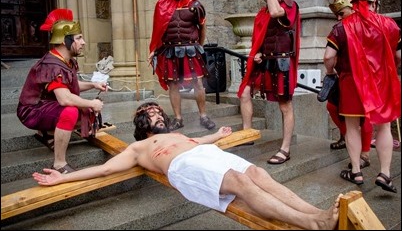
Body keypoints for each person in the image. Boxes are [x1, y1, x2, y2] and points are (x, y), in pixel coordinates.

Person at [33, 101, 341, 230]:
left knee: (258, 173)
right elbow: (103, 170)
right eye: (149, 112)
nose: (155, 112)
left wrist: (216, 136)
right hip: (182, 167)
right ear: (142, 123)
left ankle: (317, 213)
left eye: (157, 109)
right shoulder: (139, 147)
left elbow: (199, 142)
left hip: (204, 155)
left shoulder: (177, 133)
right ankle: (313, 225)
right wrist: (61, 179)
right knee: (241, 183)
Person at [324, 0, 401, 192]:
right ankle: (385, 174)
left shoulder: (341, 27)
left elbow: (329, 57)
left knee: (352, 128)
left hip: (351, 83)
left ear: (356, 3)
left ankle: (356, 172)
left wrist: (331, 73)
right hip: (382, 83)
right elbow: (399, 57)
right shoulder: (391, 26)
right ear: (375, 3)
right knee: (383, 126)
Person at [17, 8, 108, 174]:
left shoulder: (66, 61)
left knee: (86, 112)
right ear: (64, 40)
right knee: (71, 111)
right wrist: (92, 103)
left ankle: (47, 132)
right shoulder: (52, 64)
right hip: (32, 110)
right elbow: (65, 98)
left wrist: (94, 84)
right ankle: (59, 164)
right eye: (79, 38)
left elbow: (70, 86)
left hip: (47, 106)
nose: (83, 42)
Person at [238, 0, 300, 164]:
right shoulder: (261, 13)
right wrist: (259, 54)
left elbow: (275, 12)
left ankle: (286, 148)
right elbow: (262, 37)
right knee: (245, 92)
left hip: (282, 64)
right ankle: (246, 134)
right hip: (266, 62)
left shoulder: (290, 6)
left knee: (285, 106)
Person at [148, 0, 215, 131]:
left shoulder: (195, 6)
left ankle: (203, 116)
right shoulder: (162, 5)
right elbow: (158, 30)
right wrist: (154, 50)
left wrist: (199, 46)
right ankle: (178, 118)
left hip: (190, 50)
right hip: (170, 51)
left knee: (197, 83)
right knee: (173, 84)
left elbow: (202, 28)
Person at [325, 0, 373, 170]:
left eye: (341, 12)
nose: (338, 17)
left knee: (363, 117)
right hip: (347, 76)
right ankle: (347, 138)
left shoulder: (366, 24)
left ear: (352, 8)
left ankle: (365, 154)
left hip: (359, 78)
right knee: (333, 106)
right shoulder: (342, 26)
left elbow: (328, 56)